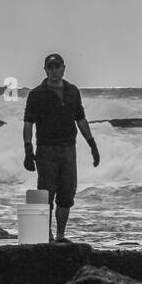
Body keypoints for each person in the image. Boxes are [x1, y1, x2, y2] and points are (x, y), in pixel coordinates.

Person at [22, 53, 100, 242]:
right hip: (46, 149)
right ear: (45, 70)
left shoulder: (73, 91)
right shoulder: (36, 94)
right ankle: (39, 235)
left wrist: (92, 144)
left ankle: (60, 235)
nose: (54, 71)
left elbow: (80, 119)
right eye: (50, 67)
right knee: (44, 192)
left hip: (68, 149)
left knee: (67, 193)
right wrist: (27, 150)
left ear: (64, 68)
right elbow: (28, 123)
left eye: (57, 67)